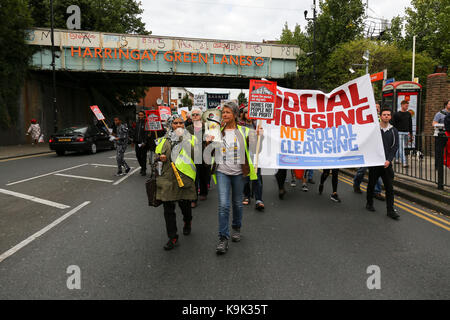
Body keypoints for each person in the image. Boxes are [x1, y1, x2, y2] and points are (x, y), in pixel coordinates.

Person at [208, 101, 262, 255]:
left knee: (237, 203)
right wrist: (208, 143)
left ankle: (236, 228)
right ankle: (223, 238)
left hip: (239, 173)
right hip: (222, 172)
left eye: (228, 112)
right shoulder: (216, 131)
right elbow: (209, 151)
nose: (224, 115)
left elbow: (256, 147)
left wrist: (259, 136)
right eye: (223, 112)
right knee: (224, 205)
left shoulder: (244, 131)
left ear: (235, 115)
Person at [155, 114, 197, 250]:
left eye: (181, 123)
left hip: (184, 178)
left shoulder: (191, 138)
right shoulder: (162, 140)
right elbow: (156, 156)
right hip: (167, 179)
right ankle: (172, 237)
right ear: (170, 125)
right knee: (168, 210)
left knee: (185, 206)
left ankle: (187, 221)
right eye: (175, 123)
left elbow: (196, 154)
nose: (179, 125)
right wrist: (159, 157)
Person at [366, 107, 399, 220]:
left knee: (389, 188)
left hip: (386, 164)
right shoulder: (374, 129)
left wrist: (388, 160)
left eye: (388, 115)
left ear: (390, 117)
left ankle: (390, 210)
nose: (386, 116)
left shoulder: (394, 131)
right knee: (371, 184)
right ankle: (369, 203)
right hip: (375, 163)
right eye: (384, 114)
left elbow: (394, 147)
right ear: (380, 116)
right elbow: (369, 144)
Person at [353, 103, 384, 200]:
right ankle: (356, 183)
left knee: (377, 172)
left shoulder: (381, 119)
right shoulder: (366, 119)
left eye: (378, 108)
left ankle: (377, 191)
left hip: (376, 149)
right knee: (362, 170)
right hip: (366, 149)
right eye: (375, 108)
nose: (377, 109)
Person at [240, 107, 265, 210]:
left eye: (251, 113)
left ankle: (259, 200)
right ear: (244, 114)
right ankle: (246, 195)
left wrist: (261, 135)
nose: (248, 115)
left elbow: (262, 140)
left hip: (256, 156)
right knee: (245, 178)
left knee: (257, 178)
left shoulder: (258, 125)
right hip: (245, 156)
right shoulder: (240, 126)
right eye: (247, 113)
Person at [186, 107, 210, 208]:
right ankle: (193, 199)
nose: (195, 116)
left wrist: (209, 141)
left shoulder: (207, 127)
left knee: (204, 176)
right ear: (191, 117)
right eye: (193, 115)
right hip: (193, 156)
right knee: (194, 178)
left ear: (201, 116)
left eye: (197, 114)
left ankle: (204, 192)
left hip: (204, 155)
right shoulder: (188, 129)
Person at [392, 100, 413, 168]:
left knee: (400, 147)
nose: (407, 107)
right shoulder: (396, 114)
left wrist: (411, 133)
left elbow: (410, 124)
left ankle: (397, 159)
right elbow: (393, 124)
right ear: (402, 105)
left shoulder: (408, 114)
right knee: (401, 148)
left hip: (406, 133)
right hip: (399, 133)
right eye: (406, 106)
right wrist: (394, 133)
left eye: (407, 106)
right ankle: (404, 162)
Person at [432, 100, 450, 170]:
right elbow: (433, 124)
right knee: (439, 151)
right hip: (440, 134)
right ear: (446, 105)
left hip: (449, 135)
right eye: (449, 104)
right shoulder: (439, 114)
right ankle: (438, 166)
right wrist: (444, 126)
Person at [133, 111, 150, 176]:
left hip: (143, 143)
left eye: (141, 115)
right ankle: (143, 167)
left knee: (143, 157)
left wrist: (145, 142)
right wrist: (133, 141)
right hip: (137, 143)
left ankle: (143, 170)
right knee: (138, 156)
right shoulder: (137, 123)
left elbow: (147, 133)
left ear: (144, 116)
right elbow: (135, 132)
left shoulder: (146, 123)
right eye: (139, 115)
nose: (140, 116)